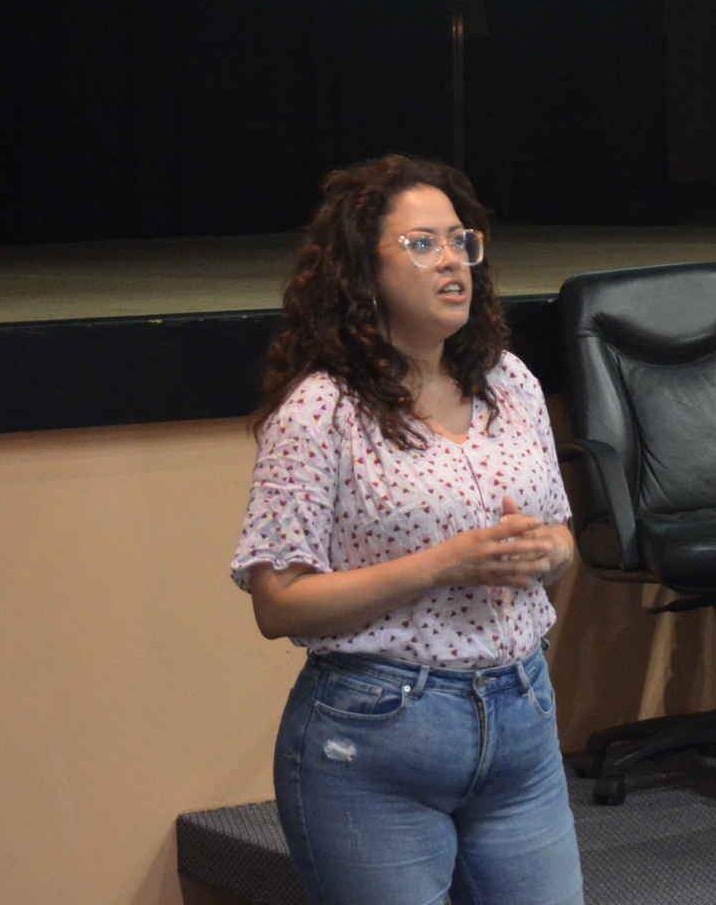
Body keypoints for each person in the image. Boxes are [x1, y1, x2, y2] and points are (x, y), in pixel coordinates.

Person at [230, 156, 584, 905]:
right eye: (423, 244)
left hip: (522, 714)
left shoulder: (508, 382)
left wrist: (549, 550)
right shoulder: (321, 411)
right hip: (377, 733)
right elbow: (279, 605)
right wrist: (439, 565)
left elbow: (560, 540)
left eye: (462, 241)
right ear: (363, 270)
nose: (453, 259)